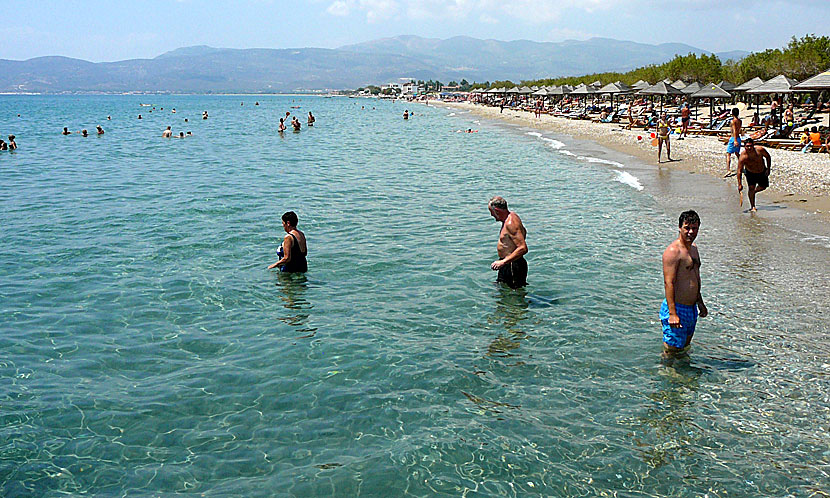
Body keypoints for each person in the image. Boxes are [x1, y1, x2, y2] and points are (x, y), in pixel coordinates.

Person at [660, 210, 708, 358]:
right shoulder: (673, 252)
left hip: (691, 308)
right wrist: (673, 314)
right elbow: (669, 283)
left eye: (695, 228)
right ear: (680, 228)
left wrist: (700, 302)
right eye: (687, 227)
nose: (691, 232)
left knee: (684, 347)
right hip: (677, 308)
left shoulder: (694, 250)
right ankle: (667, 374)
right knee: (671, 349)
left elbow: (694, 278)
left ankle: (682, 375)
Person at [488, 196, 528, 289]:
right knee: (501, 289)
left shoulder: (511, 223)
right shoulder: (512, 216)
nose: (491, 215)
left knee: (514, 294)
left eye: (491, 212)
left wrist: (503, 262)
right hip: (507, 263)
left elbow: (523, 248)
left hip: (512, 265)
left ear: (497, 211)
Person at [737, 137, 771, 213]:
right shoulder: (743, 157)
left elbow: (768, 157)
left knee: (764, 186)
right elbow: (739, 170)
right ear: (744, 147)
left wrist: (768, 168)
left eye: (750, 146)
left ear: (753, 145)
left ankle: (753, 192)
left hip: (762, 171)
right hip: (750, 173)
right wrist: (739, 184)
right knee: (751, 188)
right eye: (747, 146)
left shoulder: (760, 150)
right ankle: (753, 206)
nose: (749, 148)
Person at [725, 108, 742, 176]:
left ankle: (728, 170)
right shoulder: (740, 121)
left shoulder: (733, 121)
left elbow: (734, 130)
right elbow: (739, 130)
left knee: (728, 154)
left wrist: (734, 140)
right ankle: (742, 166)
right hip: (738, 138)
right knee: (737, 153)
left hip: (734, 139)